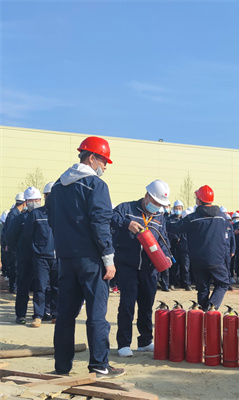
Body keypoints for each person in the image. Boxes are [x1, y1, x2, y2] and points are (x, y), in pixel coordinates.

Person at [47, 136, 124, 378]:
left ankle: (62, 367)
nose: (105, 166)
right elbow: (100, 224)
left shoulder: (58, 186)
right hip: (91, 259)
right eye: (103, 161)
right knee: (96, 314)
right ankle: (99, 364)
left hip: (66, 259)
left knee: (66, 315)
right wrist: (108, 258)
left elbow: (52, 220)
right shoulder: (95, 185)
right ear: (91, 158)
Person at [111, 180, 171, 358]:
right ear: (147, 197)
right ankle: (124, 344)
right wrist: (126, 223)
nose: (157, 207)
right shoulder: (126, 208)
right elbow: (109, 218)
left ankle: (145, 341)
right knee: (127, 305)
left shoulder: (159, 217)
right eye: (156, 202)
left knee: (146, 305)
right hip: (128, 266)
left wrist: (166, 254)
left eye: (160, 204)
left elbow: (163, 239)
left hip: (150, 268)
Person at [167, 185, 229, 310]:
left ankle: (204, 313)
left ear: (199, 200)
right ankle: (212, 307)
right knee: (223, 283)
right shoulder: (222, 217)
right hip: (216, 259)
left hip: (198, 260)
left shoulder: (192, 218)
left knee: (202, 289)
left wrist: (161, 220)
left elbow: (176, 228)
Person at [21, 182, 59, 326]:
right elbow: (28, 234)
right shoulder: (36, 214)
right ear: (45, 197)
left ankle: (56, 314)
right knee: (40, 287)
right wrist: (38, 248)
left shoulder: (62, 214)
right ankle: (38, 315)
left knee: (57, 287)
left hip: (58, 257)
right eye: (49, 195)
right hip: (41, 257)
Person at [5, 187, 39, 325]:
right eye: (31, 200)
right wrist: (18, 251)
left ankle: (39, 314)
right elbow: (10, 236)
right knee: (23, 286)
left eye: (36, 200)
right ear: (26, 201)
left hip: (40, 258)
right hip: (25, 258)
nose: (34, 202)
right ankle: (21, 314)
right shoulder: (19, 219)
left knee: (40, 287)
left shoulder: (44, 216)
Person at [2, 193, 26, 294]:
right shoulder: (14, 214)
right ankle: (14, 287)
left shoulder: (15, 213)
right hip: (14, 245)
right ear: (24, 203)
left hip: (16, 245)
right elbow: (10, 232)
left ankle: (15, 286)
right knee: (15, 267)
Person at [166, 199, 191, 291]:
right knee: (174, 266)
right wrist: (176, 238)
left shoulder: (185, 219)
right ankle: (172, 283)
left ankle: (186, 284)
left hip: (184, 246)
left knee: (185, 266)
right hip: (174, 246)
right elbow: (169, 231)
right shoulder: (170, 219)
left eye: (179, 208)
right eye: (176, 208)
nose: (178, 210)